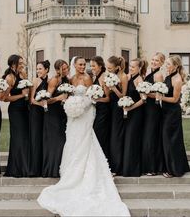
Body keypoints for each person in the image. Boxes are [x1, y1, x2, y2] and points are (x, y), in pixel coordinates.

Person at [37, 56, 130, 217]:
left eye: (84, 64)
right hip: (73, 115)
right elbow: (70, 95)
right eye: (80, 64)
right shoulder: (71, 78)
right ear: (74, 65)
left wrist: (82, 105)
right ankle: (70, 170)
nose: (82, 66)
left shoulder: (88, 78)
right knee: (72, 141)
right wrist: (70, 105)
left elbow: (90, 97)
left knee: (86, 140)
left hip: (86, 113)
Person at [160, 55, 190, 177]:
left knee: (170, 139)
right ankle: (174, 165)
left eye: (168, 64)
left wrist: (161, 97)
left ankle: (173, 170)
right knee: (169, 138)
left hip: (172, 113)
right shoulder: (168, 76)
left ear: (176, 66)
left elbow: (175, 99)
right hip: (165, 111)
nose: (166, 66)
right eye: (166, 64)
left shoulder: (177, 79)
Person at [3, 54, 30, 177]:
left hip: (25, 109)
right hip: (15, 110)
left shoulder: (22, 74)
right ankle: (17, 168)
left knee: (25, 137)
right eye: (20, 63)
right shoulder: (10, 78)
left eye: (22, 63)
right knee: (19, 137)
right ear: (13, 64)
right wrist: (22, 95)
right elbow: (4, 98)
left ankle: (26, 166)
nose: (22, 65)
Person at [42, 59, 69, 178]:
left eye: (67, 68)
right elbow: (46, 100)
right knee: (56, 142)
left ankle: (60, 168)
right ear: (57, 70)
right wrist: (59, 98)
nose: (66, 70)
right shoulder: (54, 80)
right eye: (63, 69)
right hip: (53, 115)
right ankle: (52, 169)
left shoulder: (67, 79)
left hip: (63, 114)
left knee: (62, 142)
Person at [122, 58, 147, 177]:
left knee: (133, 139)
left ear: (139, 68)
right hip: (128, 112)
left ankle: (134, 169)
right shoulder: (129, 76)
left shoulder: (139, 80)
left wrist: (130, 108)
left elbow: (143, 99)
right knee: (128, 138)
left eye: (133, 67)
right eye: (130, 66)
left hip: (136, 113)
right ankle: (127, 167)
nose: (130, 68)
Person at [142, 52, 165, 176]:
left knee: (151, 137)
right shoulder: (149, 73)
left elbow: (158, 95)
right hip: (146, 108)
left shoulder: (158, 75)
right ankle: (147, 165)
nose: (154, 62)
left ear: (161, 63)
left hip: (153, 109)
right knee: (147, 136)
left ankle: (153, 167)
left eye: (157, 60)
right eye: (153, 59)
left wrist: (145, 92)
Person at [106, 56, 128, 175]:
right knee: (110, 136)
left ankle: (117, 166)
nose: (108, 70)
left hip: (118, 109)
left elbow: (123, 96)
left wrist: (114, 88)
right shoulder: (110, 75)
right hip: (110, 107)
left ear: (117, 67)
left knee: (116, 137)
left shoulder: (123, 77)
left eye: (110, 68)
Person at [29, 60, 50, 177]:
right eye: (37, 69)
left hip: (46, 113)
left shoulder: (50, 80)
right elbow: (31, 100)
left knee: (44, 138)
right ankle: (35, 168)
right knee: (36, 137)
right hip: (36, 112)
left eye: (40, 69)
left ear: (46, 70)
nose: (38, 71)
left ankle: (44, 167)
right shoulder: (35, 81)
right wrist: (41, 104)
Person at [91, 56, 110, 158]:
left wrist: (96, 100)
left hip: (103, 112)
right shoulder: (96, 77)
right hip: (97, 110)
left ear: (100, 66)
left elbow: (108, 98)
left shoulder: (103, 78)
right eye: (91, 66)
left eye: (94, 66)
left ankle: (103, 159)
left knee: (100, 135)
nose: (92, 68)